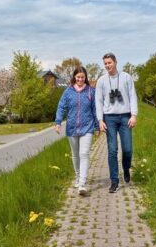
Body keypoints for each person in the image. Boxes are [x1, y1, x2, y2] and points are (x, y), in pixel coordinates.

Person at [95, 53, 138, 193]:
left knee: (128, 149)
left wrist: (133, 115)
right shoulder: (101, 81)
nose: (108, 65)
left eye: (110, 62)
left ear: (115, 62)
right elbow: (98, 101)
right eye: (105, 63)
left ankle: (126, 168)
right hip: (110, 119)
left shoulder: (126, 77)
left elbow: (132, 96)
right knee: (112, 150)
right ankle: (114, 181)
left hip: (125, 117)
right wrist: (100, 120)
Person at [55, 67, 99, 196]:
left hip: (87, 127)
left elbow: (95, 109)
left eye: (82, 77)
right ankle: (78, 176)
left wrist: (97, 126)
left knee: (84, 153)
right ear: (74, 77)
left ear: (85, 78)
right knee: (75, 155)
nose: (80, 79)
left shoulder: (91, 91)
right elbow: (61, 107)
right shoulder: (68, 91)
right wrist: (58, 122)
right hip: (72, 127)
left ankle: (82, 184)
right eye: (78, 77)